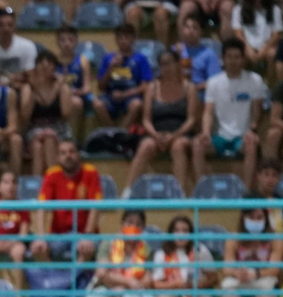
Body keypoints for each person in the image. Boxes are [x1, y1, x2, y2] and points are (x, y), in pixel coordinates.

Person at [129, 48, 201, 192]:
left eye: (169, 64)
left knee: (178, 146)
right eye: (162, 64)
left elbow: (191, 120)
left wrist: (174, 136)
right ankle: (128, 191)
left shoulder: (190, 88)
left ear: (177, 64)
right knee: (145, 146)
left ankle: (179, 192)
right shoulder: (152, 88)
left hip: (181, 133)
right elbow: (146, 120)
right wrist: (156, 136)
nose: (166, 68)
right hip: (157, 133)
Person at [81, 210, 150, 297]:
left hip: (130, 293)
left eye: (138, 224)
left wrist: (127, 286)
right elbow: (101, 272)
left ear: (142, 229)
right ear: (122, 224)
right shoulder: (109, 244)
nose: (133, 226)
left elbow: (148, 280)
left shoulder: (146, 249)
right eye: (130, 222)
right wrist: (127, 282)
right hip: (108, 289)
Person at [201, 38, 267, 183]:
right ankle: (203, 188)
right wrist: (206, 132)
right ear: (223, 58)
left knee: (252, 145)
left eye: (237, 57)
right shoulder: (213, 82)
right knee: (197, 145)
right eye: (229, 57)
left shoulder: (255, 80)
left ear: (243, 59)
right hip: (219, 136)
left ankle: (247, 194)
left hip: (243, 137)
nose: (233, 61)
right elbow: (208, 112)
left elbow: (258, 111)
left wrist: (253, 130)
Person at [220, 204, 283, 297]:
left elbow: (274, 269)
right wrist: (237, 274)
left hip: (263, 283)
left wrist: (256, 273)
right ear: (244, 218)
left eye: (259, 217)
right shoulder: (234, 238)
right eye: (251, 217)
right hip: (241, 283)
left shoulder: (275, 239)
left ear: (266, 219)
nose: (255, 221)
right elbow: (226, 268)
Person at [29, 138, 103, 264]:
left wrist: (88, 236)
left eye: (71, 152)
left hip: (84, 233)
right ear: (58, 157)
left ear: (78, 154)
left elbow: (95, 207)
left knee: (86, 248)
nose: (68, 156)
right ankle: (52, 280)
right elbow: (42, 208)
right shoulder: (51, 174)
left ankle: (75, 282)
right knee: (37, 249)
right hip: (58, 234)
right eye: (63, 153)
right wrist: (41, 236)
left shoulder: (90, 172)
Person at [19, 50, 81, 175]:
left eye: (49, 63)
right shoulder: (28, 88)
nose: (45, 65)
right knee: (37, 147)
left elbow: (66, 114)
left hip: (58, 127)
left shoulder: (63, 87)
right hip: (35, 127)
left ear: (54, 67)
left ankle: (51, 182)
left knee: (49, 139)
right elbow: (25, 115)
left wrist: (58, 88)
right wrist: (34, 90)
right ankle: (43, 185)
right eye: (41, 63)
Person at [92, 23, 153, 126]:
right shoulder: (108, 58)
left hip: (131, 95)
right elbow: (100, 87)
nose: (123, 40)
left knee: (136, 104)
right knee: (97, 104)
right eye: (120, 37)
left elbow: (145, 86)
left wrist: (125, 94)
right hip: (111, 95)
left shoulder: (141, 59)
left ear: (133, 39)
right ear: (116, 39)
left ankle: (121, 133)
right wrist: (110, 68)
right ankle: (111, 132)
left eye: (126, 37)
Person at [233, 0, 283, 69]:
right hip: (247, 46)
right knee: (239, 53)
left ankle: (271, 82)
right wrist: (248, 48)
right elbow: (238, 34)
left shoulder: (274, 9)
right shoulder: (239, 9)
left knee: (272, 53)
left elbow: (277, 34)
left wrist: (264, 49)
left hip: (267, 46)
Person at [0, 6, 38, 78]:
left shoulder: (28, 46)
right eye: (1, 25)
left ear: (15, 26)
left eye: (10, 25)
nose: (6, 29)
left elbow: (31, 73)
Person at [176, 12, 222, 86]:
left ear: (201, 32)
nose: (190, 31)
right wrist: (177, 56)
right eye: (187, 27)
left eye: (195, 28)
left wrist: (193, 90)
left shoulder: (208, 54)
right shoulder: (175, 51)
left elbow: (214, 81)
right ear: (183, 30)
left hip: (200, 93)